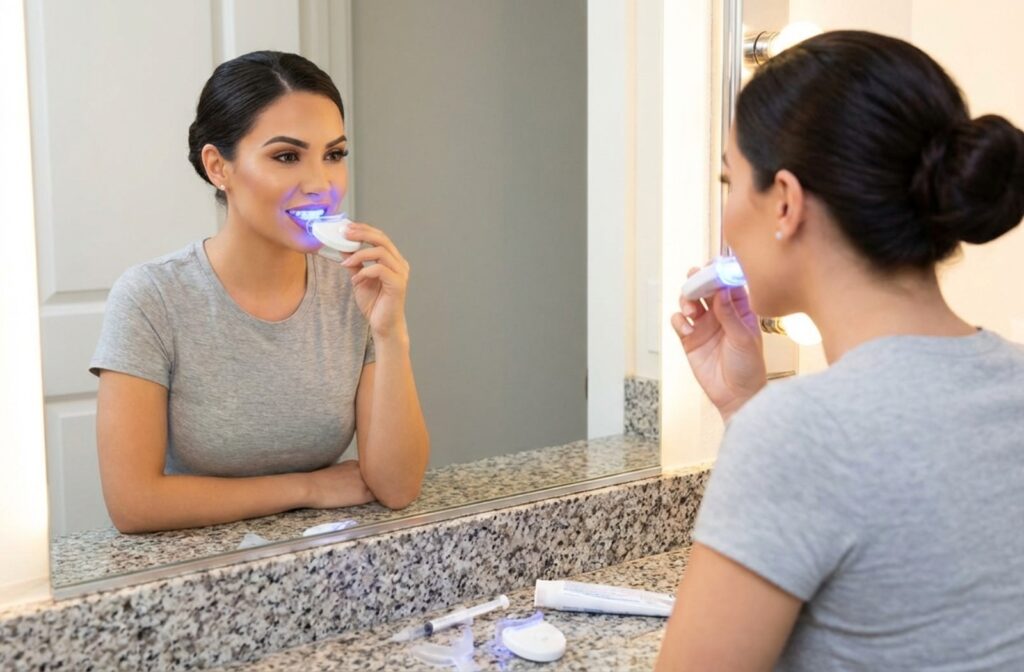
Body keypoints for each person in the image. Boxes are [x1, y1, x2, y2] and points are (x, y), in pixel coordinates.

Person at [657, 31, 1024, 670]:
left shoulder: (798, 435)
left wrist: (766, 426)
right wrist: (747, 402)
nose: (724, 213)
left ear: (786, 204)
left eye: (729, 179)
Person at [90, 51, 429, 534]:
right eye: (286, 156)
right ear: (218, 167)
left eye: (334, 154)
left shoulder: (352, 291)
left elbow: (396, 487)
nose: (320, 184)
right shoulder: (151, 298)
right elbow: (134, 503)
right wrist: (307, 488)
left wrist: (391, 333)